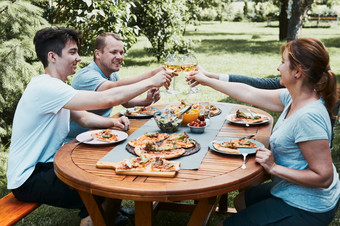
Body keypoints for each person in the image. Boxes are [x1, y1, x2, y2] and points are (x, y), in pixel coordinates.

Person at [6, 27, 172, 226]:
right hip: (30, 177)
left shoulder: (56, 87)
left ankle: (106, 218)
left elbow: (83, 118)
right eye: (72, 52)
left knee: (109, 175)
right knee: (101, 185)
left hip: (48, 165)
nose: (78, 58)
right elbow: (105, 98)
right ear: (52, 56)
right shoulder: (46, 87)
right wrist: (150, 81)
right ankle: (94, 219)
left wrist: (111, 122)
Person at [187, 37, 340, 225]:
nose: (278, 67)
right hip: (290, 189)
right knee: (241, 201)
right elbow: (249, 92)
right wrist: (207, 80)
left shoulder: (307, 117)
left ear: (297, 72)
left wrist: (273, 168)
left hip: (308, 205)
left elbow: (324, 177)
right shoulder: (293, 98)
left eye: (283, 62)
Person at [66, 32, 163, 142]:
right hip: (76, 141)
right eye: (113, 52)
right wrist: (152, 76)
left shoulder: (111, 74)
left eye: (121, 52)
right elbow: (112, 90)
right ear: (98, 54)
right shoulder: (86, 76)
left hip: (101, 135)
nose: (119, 57)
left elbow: (125, 101)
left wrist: (146, 100)